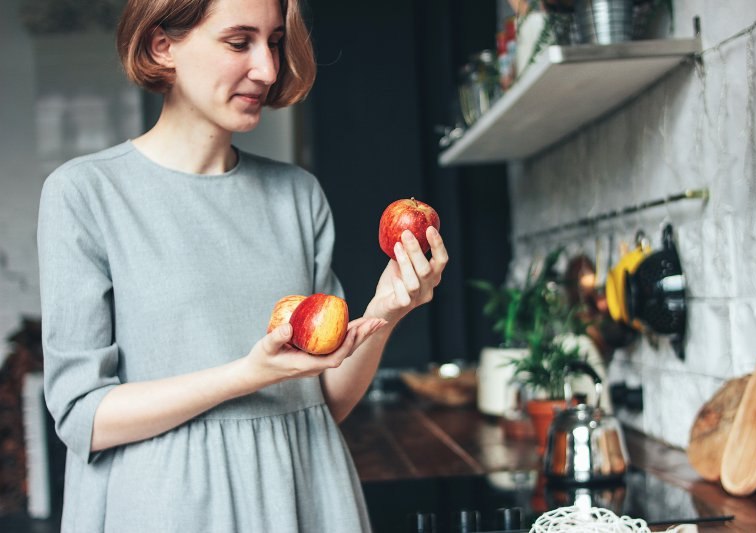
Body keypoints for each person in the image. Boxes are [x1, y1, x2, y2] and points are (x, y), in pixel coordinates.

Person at [36, 0, 448, 531]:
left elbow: (322, 398)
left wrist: (387, 309)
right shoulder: (85, 193)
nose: (268, 69)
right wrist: (246, 375)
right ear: (163, 45)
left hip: (306, 492)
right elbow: (82, 417)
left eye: (274, 41)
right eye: (239, 42)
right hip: (169, 507)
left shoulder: (298, 195)